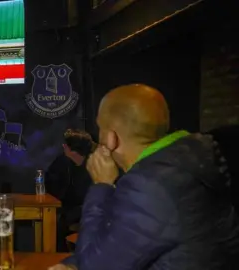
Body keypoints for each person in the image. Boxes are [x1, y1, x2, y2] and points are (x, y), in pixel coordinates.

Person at [50, 84, 239, 270]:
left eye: (100, 127)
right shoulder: (182, 166)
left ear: (110, 137)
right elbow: (119, 247)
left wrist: (101, 186)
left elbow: (95, 267)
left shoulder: (151, 185)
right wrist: (72, 264)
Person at [45, 129, 95, 251]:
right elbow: (52, 187)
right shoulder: (62, 163)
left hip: (89, 211)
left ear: (72, 149)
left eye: (66, 144)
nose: (63, 146)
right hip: (70, 210)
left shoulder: (95, 166)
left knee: (63, 222)